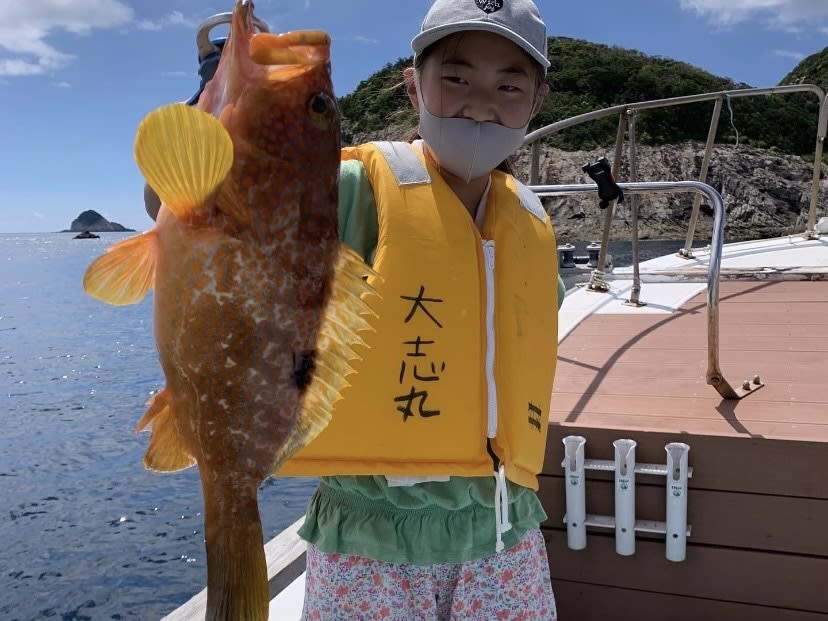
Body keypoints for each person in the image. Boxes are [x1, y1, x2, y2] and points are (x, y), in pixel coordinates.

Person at [145, 1, 564, 618]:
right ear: (412, 86)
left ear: (538, 100)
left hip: (504, 528)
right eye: (456, 76)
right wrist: (214, 103)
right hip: (366, 530)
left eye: (509, 84)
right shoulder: (347, 187)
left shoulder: (530, 222)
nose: (480, 101)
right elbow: (189, 202)